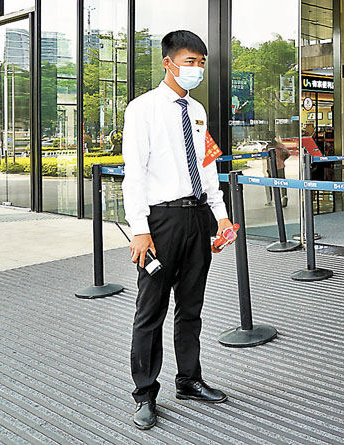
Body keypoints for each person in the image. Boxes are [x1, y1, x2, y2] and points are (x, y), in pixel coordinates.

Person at [123, 30, 233, 430]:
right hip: (160, 221)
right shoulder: (143, 109)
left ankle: (188, 379)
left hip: (197, 216)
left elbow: (207, 168)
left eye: (201, 62)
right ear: (168, 62)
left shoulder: (199, 111)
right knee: (150, 310)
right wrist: (140, 229)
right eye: (190, 61)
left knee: (191, 307)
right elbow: (133, 174)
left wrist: (219, 217)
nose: (197, 69)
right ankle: (145, 394)